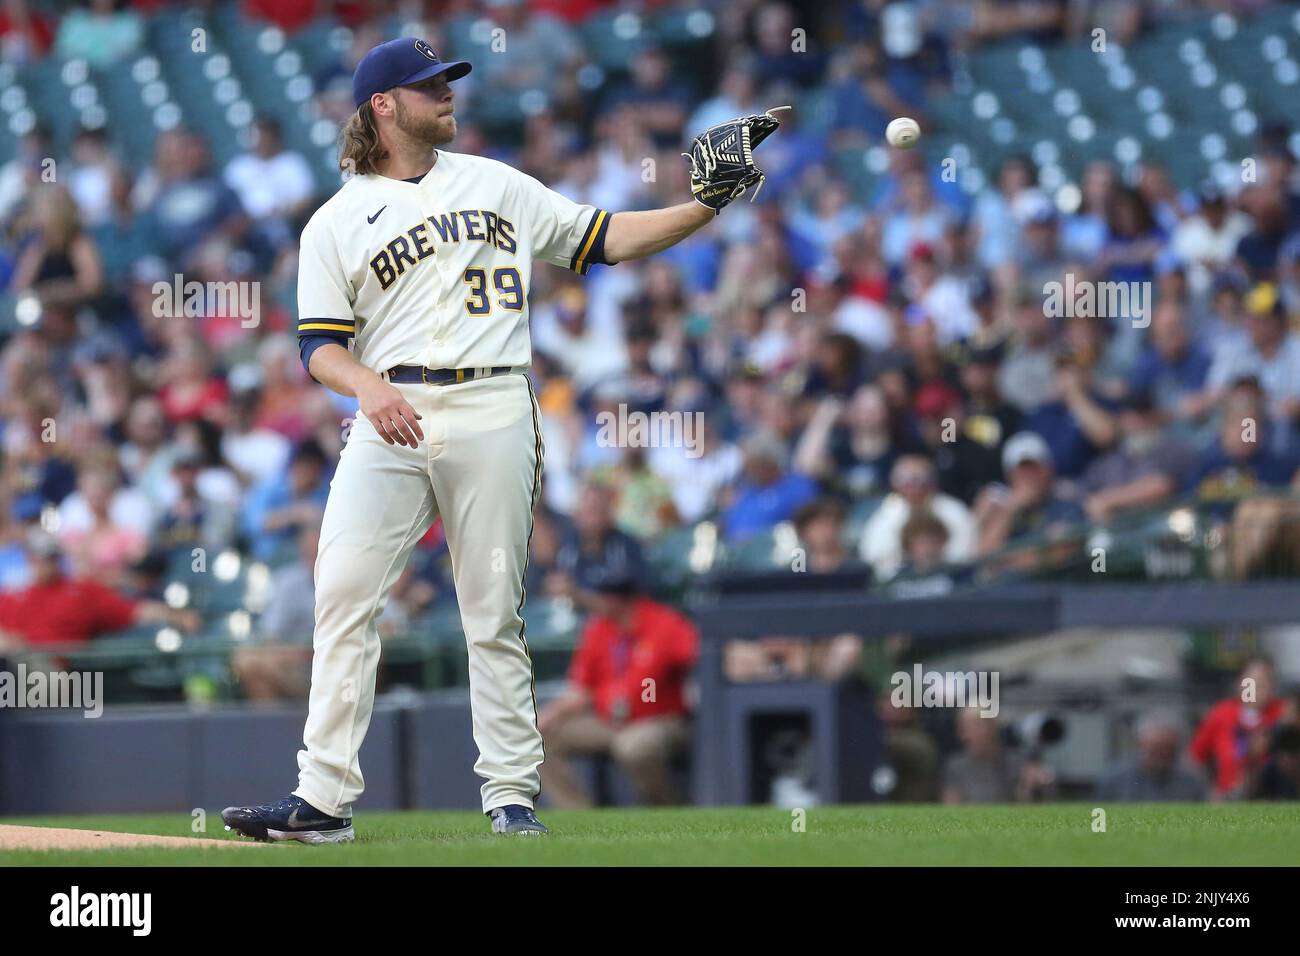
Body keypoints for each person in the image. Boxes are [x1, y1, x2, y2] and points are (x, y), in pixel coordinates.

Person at [221, 37, 786, 843]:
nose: (446, 94)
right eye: (427, 87)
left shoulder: (496, 183)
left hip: (492, 400)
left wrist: (705, 205)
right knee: (342, 593)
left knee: (491, 609)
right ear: (383, 107)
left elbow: (607, 238)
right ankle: (322, 800)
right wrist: (369, 385)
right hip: (390, 411)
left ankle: (511, 797)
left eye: (446, 81)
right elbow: (318, 345)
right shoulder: (335, 220)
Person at [537, 570, 698, 808]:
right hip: (608, 721)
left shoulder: (663, 623)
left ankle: (665, 810)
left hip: (660, 720)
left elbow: (701, 656)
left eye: (604, 596)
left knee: (633, 746)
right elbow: (581, 692)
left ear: (620, 599)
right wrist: (548, 714)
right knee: (536, 737)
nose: (598, 601)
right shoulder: (599, 629)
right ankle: (578, 817)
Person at [0, 530, 198, 652]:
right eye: (37, 557)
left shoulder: (81, 591)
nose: (43, 563)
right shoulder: (13, 595)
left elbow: (133, 610)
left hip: (55, 675)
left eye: (49, 557)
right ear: (28, 558)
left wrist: (177, 616)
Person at [1189, 658, 1287, 800]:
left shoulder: (1282, 714)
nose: (1256, 689)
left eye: (1263, 683)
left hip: (1272, 797)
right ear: (1239, 684)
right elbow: (1194, 758)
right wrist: (1209, 791)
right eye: (1251, 682)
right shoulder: (1221, 713)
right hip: (1227, 798)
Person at [1094, 715, 1206, 803]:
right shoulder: (1114, 780)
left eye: (1166, 750)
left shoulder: (1191, 782)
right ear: (1139, 745)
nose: (1160, 756)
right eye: (1154, 750)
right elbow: (1098, 823)